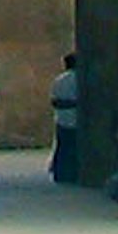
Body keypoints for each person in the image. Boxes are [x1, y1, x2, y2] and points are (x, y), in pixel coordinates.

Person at [47, 51, 81, 185]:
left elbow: (54, 101)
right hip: (76, 119)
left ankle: (60, 174)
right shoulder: (79, 80)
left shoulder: (59, 80)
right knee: (73, 148)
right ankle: (73, 174)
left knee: (62, 148)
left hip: (61, 118)